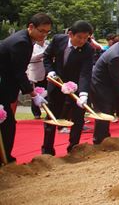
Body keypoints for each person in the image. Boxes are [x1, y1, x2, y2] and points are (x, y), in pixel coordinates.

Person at [0, 13, 52, 163]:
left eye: (47, 32)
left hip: (7, 83)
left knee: (7, 123)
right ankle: (5, 159)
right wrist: (33, 94)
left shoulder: (26, 39)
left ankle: (5, 158)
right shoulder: (21, 42)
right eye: (41, 31)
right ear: (31, 27)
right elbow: (19, 72)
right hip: (3, 83)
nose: (44, 35)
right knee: (7, 125)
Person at [41, 20, 96, 155]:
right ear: (71, 34)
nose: (82, 41)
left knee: (78, 118)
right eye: (80, 37)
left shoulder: (88, 50)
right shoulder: (58, 40)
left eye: (86, 38)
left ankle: (73, 148)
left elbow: (85, 73)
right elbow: (47, 57)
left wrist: (83, 93)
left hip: (76, 86)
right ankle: (47, 151)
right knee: (51, 118)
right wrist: (50, 71)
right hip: (56, 84)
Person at [26, 39, 48, 119]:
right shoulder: (33, 47)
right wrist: (43, 54)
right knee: (36, 93)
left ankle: (48, 112)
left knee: (47, 92)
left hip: (46, 72)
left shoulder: (47, 46)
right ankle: (36, 113)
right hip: (35, 73)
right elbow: (31, 58)